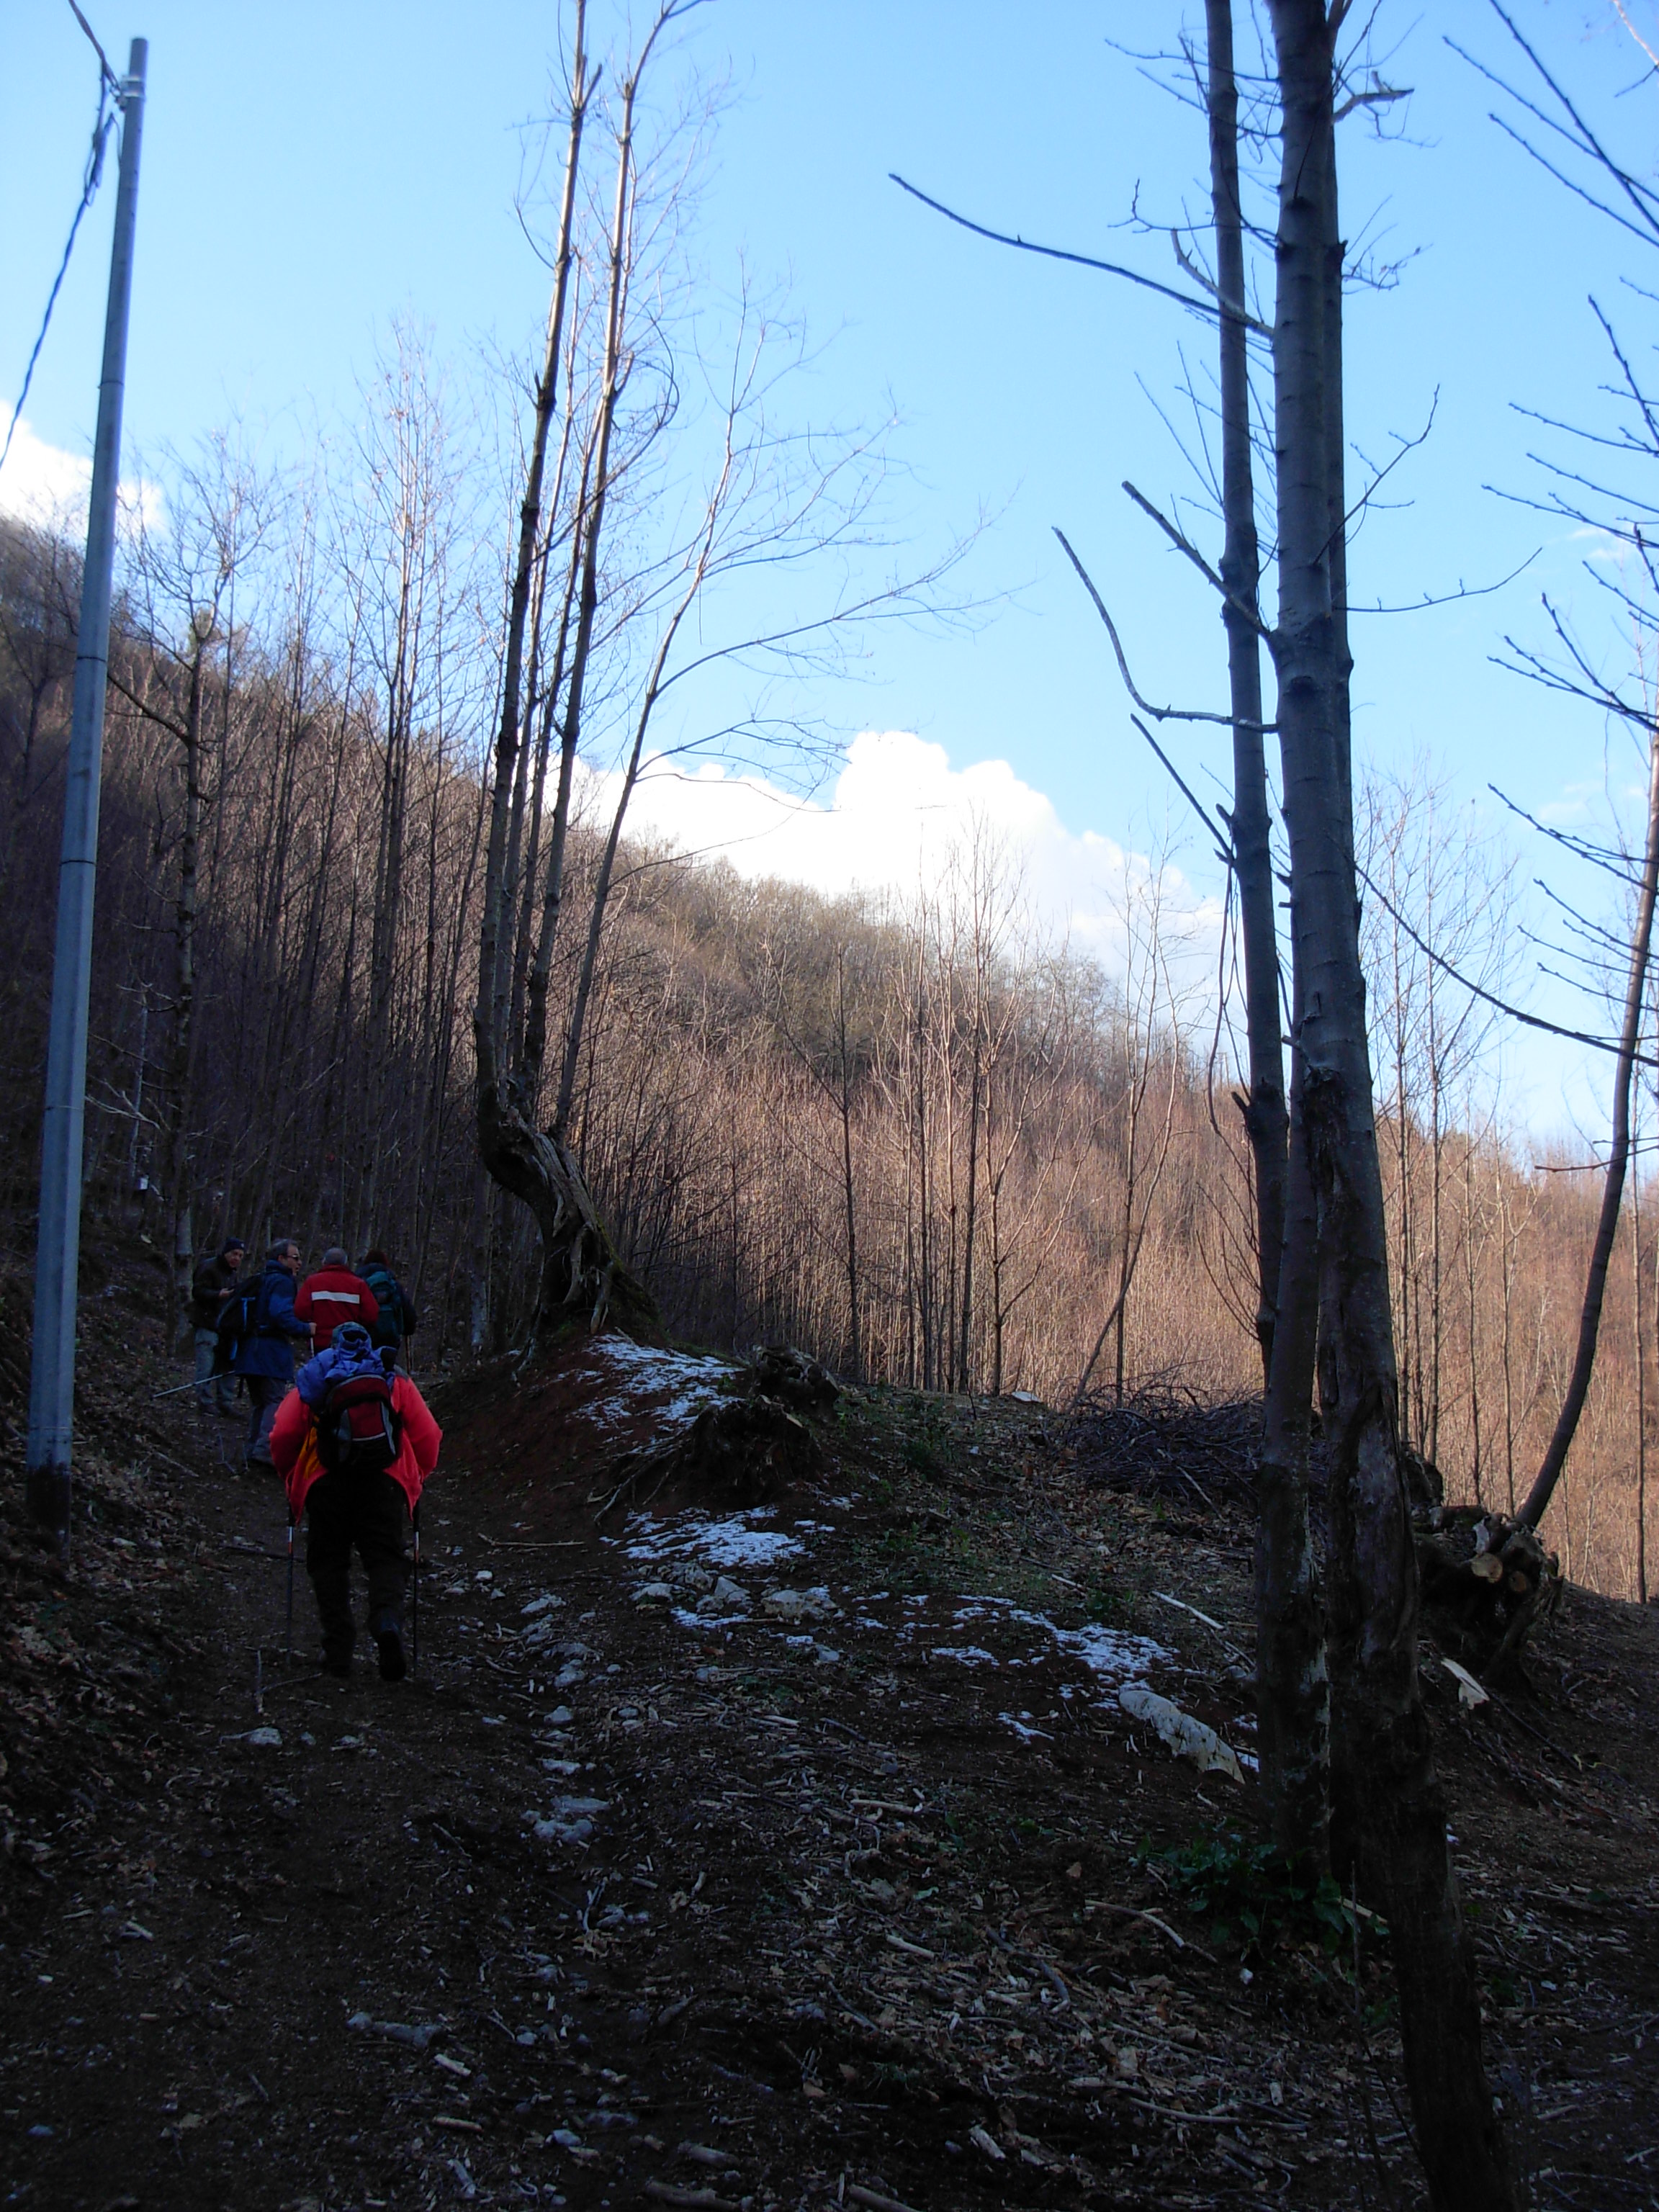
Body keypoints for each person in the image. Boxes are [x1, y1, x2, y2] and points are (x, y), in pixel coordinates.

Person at [271, 1321, 442, 1681]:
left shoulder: (316, 1375)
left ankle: (338, 1648)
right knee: (385, 1558)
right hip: (384, 1481)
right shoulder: (392, 1377)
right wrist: (416, 1478)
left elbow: (283, 1432)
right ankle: (387, 1621)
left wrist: (291, 1477)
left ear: (333, 1346)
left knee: (328, 1561)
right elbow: (428, 1434)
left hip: (326, 1482)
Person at [232, 1238, 312, 1467]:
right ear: (281, 1259)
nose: (299, 1263)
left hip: (250, 1350)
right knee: (274, 1401)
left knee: (260, 1402)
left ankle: (253, 1449)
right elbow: (280, 1314)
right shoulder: (282, 1282)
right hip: (269, 1352)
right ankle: (264, 1451)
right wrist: (305, 1329)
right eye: (295, 1258)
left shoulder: (263, 1278)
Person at [190, 1237, 245, 1413]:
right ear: (226, 1252)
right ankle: (204, 1400)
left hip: (225, 1327)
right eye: (234, 1254)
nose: (236, 1258)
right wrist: (218, 1295)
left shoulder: (233, 1274)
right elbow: (197, 1291)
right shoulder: (208, 1267)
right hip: (207, 1323)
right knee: (206, 1364)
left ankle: (225, 1401)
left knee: (226, 1365)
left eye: (240, 1256)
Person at [295, 1246, 379, 1353]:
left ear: (324, 1262)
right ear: (346, 1263)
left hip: (321, 1342)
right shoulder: (358, 1285)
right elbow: (371, 1315)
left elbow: (300, 1311)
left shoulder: (313, 1282)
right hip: (350, 1342)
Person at [359, 1246, 418, 1359]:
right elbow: (410, 1320)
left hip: (364, 1342)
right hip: (390, 1343)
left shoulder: (358, 1283)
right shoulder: (393, 1284)